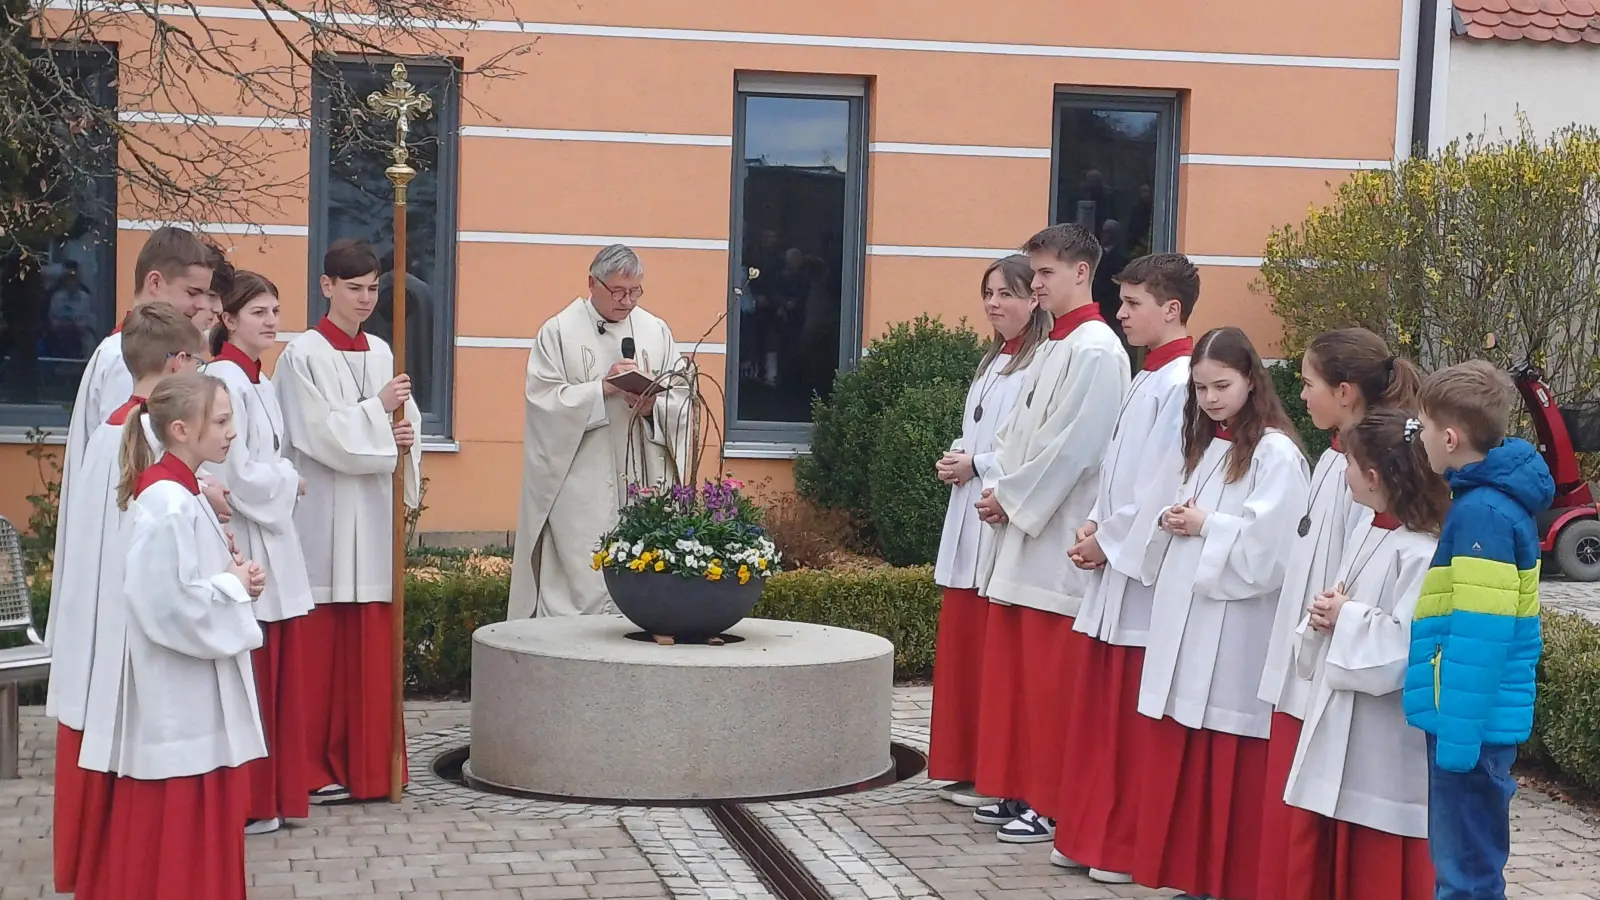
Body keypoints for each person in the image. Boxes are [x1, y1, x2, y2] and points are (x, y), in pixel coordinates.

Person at [75, 371, 268, 900]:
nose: (232, 431)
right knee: (179, 828)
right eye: (222, 421)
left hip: (186, 690)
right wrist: (232, 585)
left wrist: (232, 578)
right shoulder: (168, 502)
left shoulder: (185, 493)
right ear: (180, 430)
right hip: (175, 697)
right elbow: (162, 602)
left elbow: (185, 582)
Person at [1132, 326, 1309, 900]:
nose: (1209, 399)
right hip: (1191, 620)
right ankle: (1197, 873)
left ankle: (1229, 879)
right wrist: (1173, 519)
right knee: (1191, 750)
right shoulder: (1210, 444)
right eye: (1201, 387)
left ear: (1252, 380)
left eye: (1221, 386)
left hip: (1236, 631)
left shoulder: (1275, 452)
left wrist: (1205, 525)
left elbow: (1272, 550)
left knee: (1228, 761)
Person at [969, 224, 1130, 844]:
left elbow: (1074, 449)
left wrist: (1010, 497)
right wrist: (1000, 481)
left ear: (1082, 272)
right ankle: (1025, 785)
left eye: (1044, 274)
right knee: (1025, 678)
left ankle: (1053, 799)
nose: (1034, 285)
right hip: (1027, 525)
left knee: (1053, 681)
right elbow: (1018, 434)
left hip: (1057, 533)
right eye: (1033, 274)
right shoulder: (1057, 345)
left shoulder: (1094, 349)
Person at [1255, 328, 1423, 898]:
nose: (1299, 395)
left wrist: (1337, 620)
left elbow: (1364, 580)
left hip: (1337, 677)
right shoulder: (1338, 459)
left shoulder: (1373, 470)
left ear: (1346, 391)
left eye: (1308, 383)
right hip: (1310, 660)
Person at [44, 303, 204, 893]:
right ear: (179, 362)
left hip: (98, 624)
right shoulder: (146, 439)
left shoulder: (114, 428)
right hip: (131, 639)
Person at [1052, 253, 1199, 883]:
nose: (1121, 313)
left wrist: (1110, 542)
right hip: (1116, 560)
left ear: (1172, 308)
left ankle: (1121, 840)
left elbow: (1162, 482)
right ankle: (1092, 832)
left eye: (1134, 303)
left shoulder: (1183, 382)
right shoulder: (1149, 375)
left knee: (1130, 720)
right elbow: (1120, 472)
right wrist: (1095, 523)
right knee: (1102, 716)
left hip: (1142, 575)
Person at [275, 238, 422, 804]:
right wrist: (380, 416)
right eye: (354, 288)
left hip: (372, 518)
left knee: (370, 643)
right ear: (327, 286)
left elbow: (402, 435)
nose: (365, 299)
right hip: (325, 515)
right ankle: (316, 767)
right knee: (323, 649)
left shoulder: (385, 351)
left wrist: (405, 440)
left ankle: (371, 766)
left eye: (374, 289)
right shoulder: (301, 356)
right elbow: (319, 437)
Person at [1283, 408, 1449, 900]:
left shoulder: (1420, 550)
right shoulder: (1370, 529)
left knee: (1377, 862)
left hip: (1383, 735)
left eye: (1350, 462)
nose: (1344, 470)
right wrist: (1326, 615)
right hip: (1339, 714)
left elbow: (1406, 644)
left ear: (1373, 476)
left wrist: (1344, 617)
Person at [1411, 361, 1552, 900]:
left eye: (1422, 428)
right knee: (1470, 859)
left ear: (1449, 438)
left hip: (1470, 725)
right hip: (1474, 721)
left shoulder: (1481, 516)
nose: (1419, 439)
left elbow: (1480, 635)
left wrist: (1458, 740)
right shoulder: (1488, 504)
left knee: (1465, 869)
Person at [508, 243, 694, 620]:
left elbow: (683, 401)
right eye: (618, 292)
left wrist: (652, 408)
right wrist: (601, 390)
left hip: (643, 474)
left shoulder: (655, 330)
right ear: (592, 283)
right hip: (581, 480)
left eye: (635, 291)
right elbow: (543, 402)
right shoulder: (558, 331)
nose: (627, 302)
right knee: (584, 574)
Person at [927, 255, 1050, 809]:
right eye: (988, 292)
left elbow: (1034, 444)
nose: (994, 303)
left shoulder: (1042, 362)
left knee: (991, 650)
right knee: (963, 644)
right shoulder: (993, 358)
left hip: (999, 510)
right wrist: (962, 460)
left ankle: (990, 768)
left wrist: (979, 465)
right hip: (969, 507)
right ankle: (963, 760)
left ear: (1034, 299)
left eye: (1006, 292)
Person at [203, 271, 315, 834]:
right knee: (256, 674)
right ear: (227, 319)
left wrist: (283, 473)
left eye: (275, 310)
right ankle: (251, 800)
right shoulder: (223, 379)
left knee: (277, 679)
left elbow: (276, 455)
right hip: (248, 538)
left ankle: (273, 796)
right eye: (259, 312)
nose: (272, 321)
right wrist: (287, 480)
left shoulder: (259, 380)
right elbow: (236, 472)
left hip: (272, 535)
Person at [61, 226, 215, 473]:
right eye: (192, 293)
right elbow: (129, 461)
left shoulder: (135, 348)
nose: (201, 305)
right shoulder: (127, 357)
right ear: (154, 282)